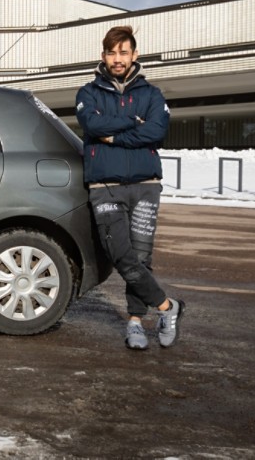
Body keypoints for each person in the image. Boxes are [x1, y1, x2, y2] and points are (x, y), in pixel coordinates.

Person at [75, 25, 184, 350]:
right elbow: (92, 124)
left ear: (134, 55)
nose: (117, 59)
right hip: (104, 185)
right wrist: (133, 122)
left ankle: (135, 322)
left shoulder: (152, 94)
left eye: (124, 52)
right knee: (120, 254)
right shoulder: (88, 93)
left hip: (145, 185)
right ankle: (167, 306)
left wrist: (116, 136)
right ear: (103, 56)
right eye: (112, 52)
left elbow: (156, 131)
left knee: (141, 256)